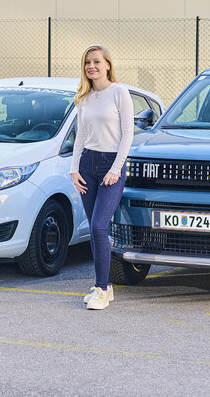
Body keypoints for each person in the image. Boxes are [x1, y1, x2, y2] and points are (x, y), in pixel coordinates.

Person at [69, 45, 134, 310]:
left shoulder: (119, 93)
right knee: (95, 231)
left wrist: (116, 169)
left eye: (96, 61)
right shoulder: (83, 97)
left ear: (108, 64)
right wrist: (74, 169)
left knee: (99, 227)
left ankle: (102, 289)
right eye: (87, 62)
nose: (91, 66)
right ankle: (104, 286)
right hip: (87, 166)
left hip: (111, 165)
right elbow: (80, 137)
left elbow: (128, 134)